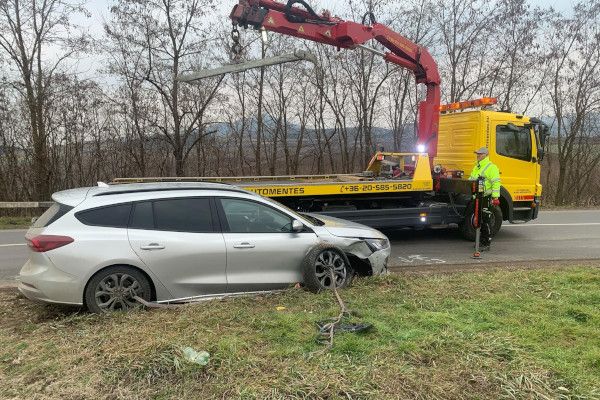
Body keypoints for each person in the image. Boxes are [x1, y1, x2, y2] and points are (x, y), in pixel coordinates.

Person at [469, 147, 501, 251]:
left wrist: (495, 197)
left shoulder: (491, 167)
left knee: (485, 220)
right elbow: (471, 179)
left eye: (480, 154)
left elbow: (496, 182)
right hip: (477, 197)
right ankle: (481, 241)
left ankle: (486, 243)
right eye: (477, 153)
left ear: (486, 155)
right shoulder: (477, 166)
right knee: (479, 220)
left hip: (486, 198)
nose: (477, 155)